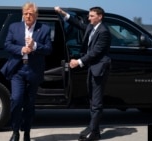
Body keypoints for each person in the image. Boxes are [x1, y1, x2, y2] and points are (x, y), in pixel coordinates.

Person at [55, 6, 111, 141]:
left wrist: (78, 62)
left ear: (100, 16)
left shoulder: (104, 32)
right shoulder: (92, 27)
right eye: (89, 16)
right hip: (92, 68)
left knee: (96, 102)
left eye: (92, 16)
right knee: (92, 100)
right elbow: (77, 24)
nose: (89, 18)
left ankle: (94, 133)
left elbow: (95, 52)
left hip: (99, 69)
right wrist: (63, 13)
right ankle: (94, 128)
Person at [1, 2, 52, 141]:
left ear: (36, 15)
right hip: (17, 69)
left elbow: (48, 49)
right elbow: (7, 44)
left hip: (33, 70)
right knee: (16, 100)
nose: (28, 16)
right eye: (25, 13)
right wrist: (21, 49)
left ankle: (27, 132)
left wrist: (34, 45)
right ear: (22, 14)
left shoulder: (45, 29)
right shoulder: (14, 27)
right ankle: (15, 131)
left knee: (29, 104)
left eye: (31, 14)